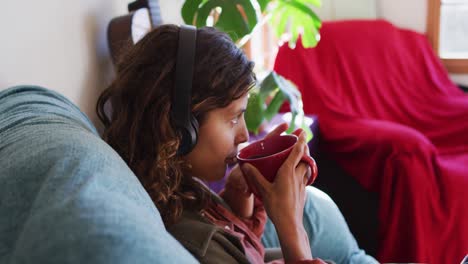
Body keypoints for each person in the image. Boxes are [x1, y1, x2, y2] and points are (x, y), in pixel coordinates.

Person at [96, 24, 377, 264]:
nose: (244, 135)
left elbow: (243, 250)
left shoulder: (173, 185)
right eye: (233, 119)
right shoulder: (194, 243)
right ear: (179, 125)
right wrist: (292, 228)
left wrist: (238, 203)